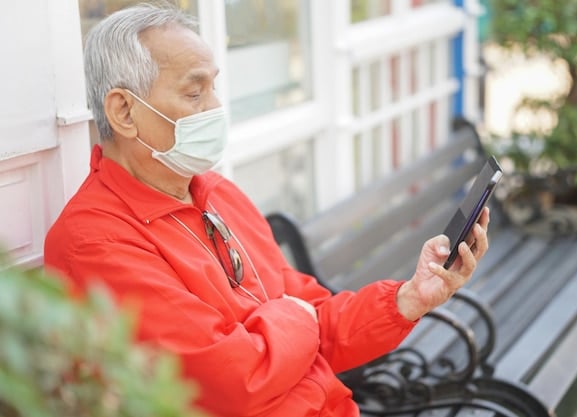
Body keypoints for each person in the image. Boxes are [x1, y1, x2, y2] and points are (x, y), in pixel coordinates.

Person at [44, 4, 489, 417]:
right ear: (124, 112)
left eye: (213, 88)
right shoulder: (93, 241)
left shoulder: (217, 193)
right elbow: (236, 379)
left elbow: (320, 321)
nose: (215, 108)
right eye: (193, 92)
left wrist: (408, 298)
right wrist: (293, 319)